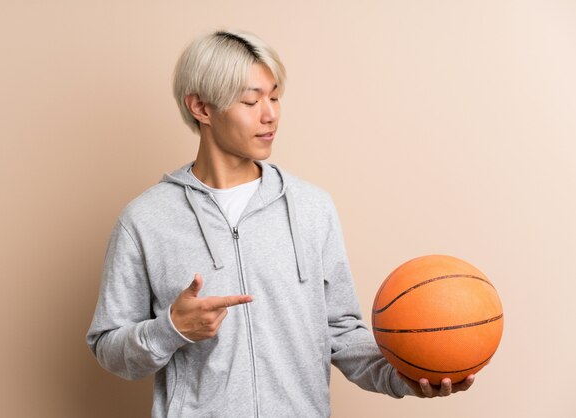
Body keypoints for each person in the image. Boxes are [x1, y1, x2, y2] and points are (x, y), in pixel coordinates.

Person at [86, 30, 474, 417]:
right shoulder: (145, 221)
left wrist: (403, 375)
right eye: (251, 101)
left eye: (274, 97)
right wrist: (170, 328)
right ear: (201, 108)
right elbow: (109, 348)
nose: (270, 114)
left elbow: (340, 331)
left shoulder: (311, 207)